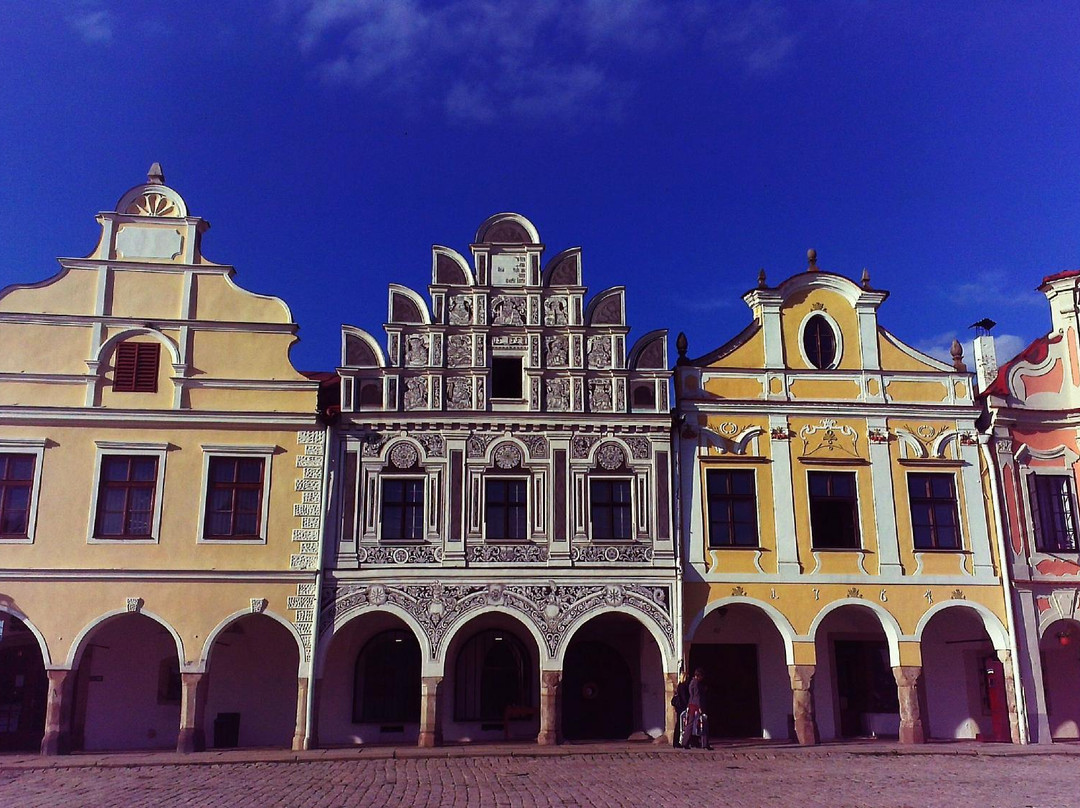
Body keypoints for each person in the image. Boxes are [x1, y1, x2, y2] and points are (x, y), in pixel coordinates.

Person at [682, 668, 711, 750]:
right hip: (696, 706)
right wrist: (700, 708)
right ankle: (704, 744)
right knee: (703, 723)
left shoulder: (692, 683)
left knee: (690, 724)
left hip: (691, 705)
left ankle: (685, 742)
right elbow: (697, 696)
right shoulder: (696, 684)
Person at [670, 670, 690, 747]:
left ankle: (677, 742)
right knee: (679, 724)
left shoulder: (680, 685)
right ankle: (676, 742)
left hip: (679, 707)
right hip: (681, 707)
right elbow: (684, 697)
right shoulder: (683, 686)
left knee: (679, 724)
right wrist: (686, 705)